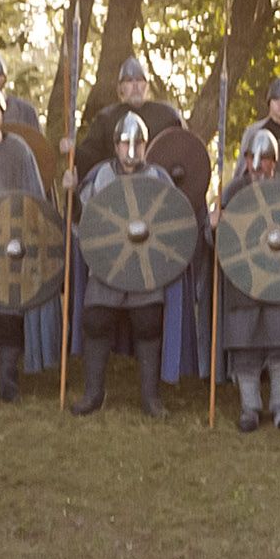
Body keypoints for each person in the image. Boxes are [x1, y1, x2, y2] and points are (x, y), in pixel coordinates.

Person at [214, 124, 280, 429]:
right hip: (243, 279)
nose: (258, 166)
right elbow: (218, 242)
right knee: (244, 345)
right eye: (253, 158)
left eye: (264, 159)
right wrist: (215, 225)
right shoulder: (233, 191)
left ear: (274, 162)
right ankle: (249, 408)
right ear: (246, 159)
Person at [69, 109, 174, 416]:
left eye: (137, 144)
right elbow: (81, 220)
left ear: (146, 145)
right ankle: (93, 394)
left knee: (148, 323)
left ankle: (150, 398)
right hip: (107, 264)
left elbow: (173, 221)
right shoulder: (100, 176)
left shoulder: (157, 178)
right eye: (125, 143)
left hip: (145, 266)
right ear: (115, 145)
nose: (131, 150)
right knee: (96, 321)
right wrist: (71, 193)